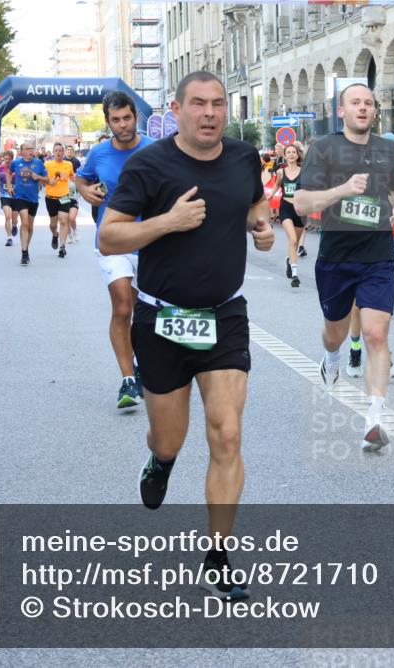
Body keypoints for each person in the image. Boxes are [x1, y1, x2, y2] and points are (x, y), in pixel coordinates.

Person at [99, 71, 274, 599]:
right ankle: (161, 460)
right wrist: (168, 222)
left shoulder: (244, 157)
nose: (210, 113)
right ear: (176, 110)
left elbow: (254, 204)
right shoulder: (149, 165)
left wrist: (261, 226)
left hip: (224, 316)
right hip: (162, 320)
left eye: (218, 103)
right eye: (198, 103)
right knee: (169, 437)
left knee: (227, 433)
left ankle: (218, 556)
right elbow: (109, 237)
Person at [293, 82, 394, 451]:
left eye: (368, 103)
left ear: (375, 111)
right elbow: (301, 203)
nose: (362, 108)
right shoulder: (323, 148)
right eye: (355, 102)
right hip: (336, 257)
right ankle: (332, 355)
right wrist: (343, 190)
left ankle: (374, 419)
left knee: (376, 335)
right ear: (341, 111)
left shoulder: (387, 149)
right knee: (334, 333)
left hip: (378, 255)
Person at [75, 91, 154, 410]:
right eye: (116, 120)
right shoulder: (99, 153)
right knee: (122, 307)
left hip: (150, 241)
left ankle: (140, 362)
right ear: (108, 122)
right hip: (112, 241)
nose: (123, 125)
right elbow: (81, 179)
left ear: (136, 117)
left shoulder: (156, 149)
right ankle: (128, 379)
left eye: (127, 118)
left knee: (144, 313)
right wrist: (85, 192)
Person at [7, 142, 49, 265]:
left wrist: (39, 177)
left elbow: (47, 179)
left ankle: (26, 248)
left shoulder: (39, 163)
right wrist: (9, 186)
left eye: (32, 148)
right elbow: (9, 173)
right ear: (22, 151)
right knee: (24, 223)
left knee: (30, 226)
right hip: (20, 197)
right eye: (28, 149)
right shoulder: (15, 163)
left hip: (33, 198)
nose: (31, 151)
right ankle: (24, 253)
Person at [273, 143, 305, 287]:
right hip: (286, 207)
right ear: (285, 156)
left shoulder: (304, 171)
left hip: (300, 210)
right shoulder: (281, 172)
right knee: (292, 239)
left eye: (294, 152)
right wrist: (269, 196)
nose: (291, 154)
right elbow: (276, 185)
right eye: (289, 152)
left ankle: (289, 260)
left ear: (297, 155)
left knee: (295, 242)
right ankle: (295, 275)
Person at [43, 142, 76, 258]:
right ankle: (55, 234)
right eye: (56, 150)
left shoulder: (68, 164)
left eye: (60, 150)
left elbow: (72, 176)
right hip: (51, 197)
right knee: (53, 224)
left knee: (64, 220)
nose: (58, 152)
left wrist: (79, 182)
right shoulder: (47, 164)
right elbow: (42, 178)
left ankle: (62, 247)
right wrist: (48, 181)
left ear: (63, 152)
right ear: (53, 152)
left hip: (64, 196)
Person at [0, 150, 18, 246]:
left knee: (14, 219)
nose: (7, 161)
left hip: (15, 196)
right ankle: (9, 238)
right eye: (5, 159)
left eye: (9, 159)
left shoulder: (16, 168)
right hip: (4, 195)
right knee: (7, 216)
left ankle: (14, 225)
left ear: (12, 159)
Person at [64, 145, 82, 243]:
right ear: (65, 151)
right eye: (68, 150)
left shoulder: (76, 161)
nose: (69, 151)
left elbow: (80, 175)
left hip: (74, 192)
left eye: (71, 150)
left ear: (73, 152)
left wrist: (80, 188)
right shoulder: (62, 161)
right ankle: (69, 235)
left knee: (72, 218)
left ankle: (75, 231)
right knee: (65, 217)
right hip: (63, 193)